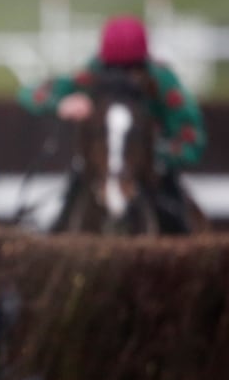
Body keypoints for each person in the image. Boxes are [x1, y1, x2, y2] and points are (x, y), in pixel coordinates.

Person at [17, 14, 207, 232]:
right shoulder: (93, 73)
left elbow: (192, 141)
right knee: (61, 219)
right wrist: (62, 103)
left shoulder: (162, 81)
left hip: (152, 171)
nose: (122, 78)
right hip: (95, 168)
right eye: (114, 69)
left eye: (132, 70)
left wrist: (153, 153)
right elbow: (31, 93)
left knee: (183, 223)